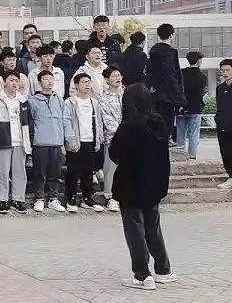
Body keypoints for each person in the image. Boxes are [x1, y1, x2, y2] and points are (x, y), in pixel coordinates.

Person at [110, 84, 176, 290]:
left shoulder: (128, 126)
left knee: (135, 229)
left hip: (131, 185)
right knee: (153, 228)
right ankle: (164, 270)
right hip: (154, 185)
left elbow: (114, 154)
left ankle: (142, 274)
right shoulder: (158, 122)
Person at [0, 71, 30, 215]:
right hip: (2, 140)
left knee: (20, 172)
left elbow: (28, 122)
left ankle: (18, 199)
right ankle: (3, 199)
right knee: (3, 172)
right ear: (4, 82)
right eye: (11, 80)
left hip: (20, 141)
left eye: (17, 80)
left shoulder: (23, 100)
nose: (14, 83)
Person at [63, 72, 105, 214]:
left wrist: (99, 138)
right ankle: (71, 197)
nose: (87, 85)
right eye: (84, 82)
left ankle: (87, 198)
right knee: (73, 171)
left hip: (90, 140)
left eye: (88, 82)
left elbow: (98, 121)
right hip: (76, 141)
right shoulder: (70, 102)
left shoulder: (94, 102)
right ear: (76, 85)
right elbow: (66, 121)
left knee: (88, 171)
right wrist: (70, 139)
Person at [29, 70, 66, 213]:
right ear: (39, 82)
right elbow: (30, 122)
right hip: (40, 142)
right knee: (40, 173)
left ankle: (53, 198)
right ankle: (39, 198)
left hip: (56, 141)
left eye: (51, 79)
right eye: (45, 79)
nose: (49, 81)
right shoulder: (33, 101)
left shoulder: (59, 99)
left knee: (55, 173)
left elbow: (63, 121)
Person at [146, 23, 185, 142]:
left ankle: (157, 142)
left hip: (155, 92)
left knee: (157, 119)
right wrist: (179, 92)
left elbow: (149, 71)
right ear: (171, 35)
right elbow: (172, 72)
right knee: (167, 120)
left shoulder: (153, 51)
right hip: (169, 93)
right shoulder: (171, 52)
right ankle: (165, 142)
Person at [99, 66, 126, 212]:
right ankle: (110, 197)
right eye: (114, 76)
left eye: (119, 75)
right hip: (113, 138)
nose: (117, 78)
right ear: (107, 80)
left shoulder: (127, 95)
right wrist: (121, 132)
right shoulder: (103, 98)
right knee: (111, 169)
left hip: (130, 137)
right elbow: (106, 119)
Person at [178, 51, 206, 161]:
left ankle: (179, 156)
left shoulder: (181, 74)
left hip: (181, 107)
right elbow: (201, 91)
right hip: (195, 108)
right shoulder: (201, 76)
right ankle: (192, 157)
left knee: (180, 134)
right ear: (199, 61)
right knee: (193, 135)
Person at [216, 59, 232, 188]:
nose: (225, 73)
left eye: (227, 70)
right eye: (222, 70)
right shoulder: (220, 88)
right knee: (226, 153)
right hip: (223, 126)